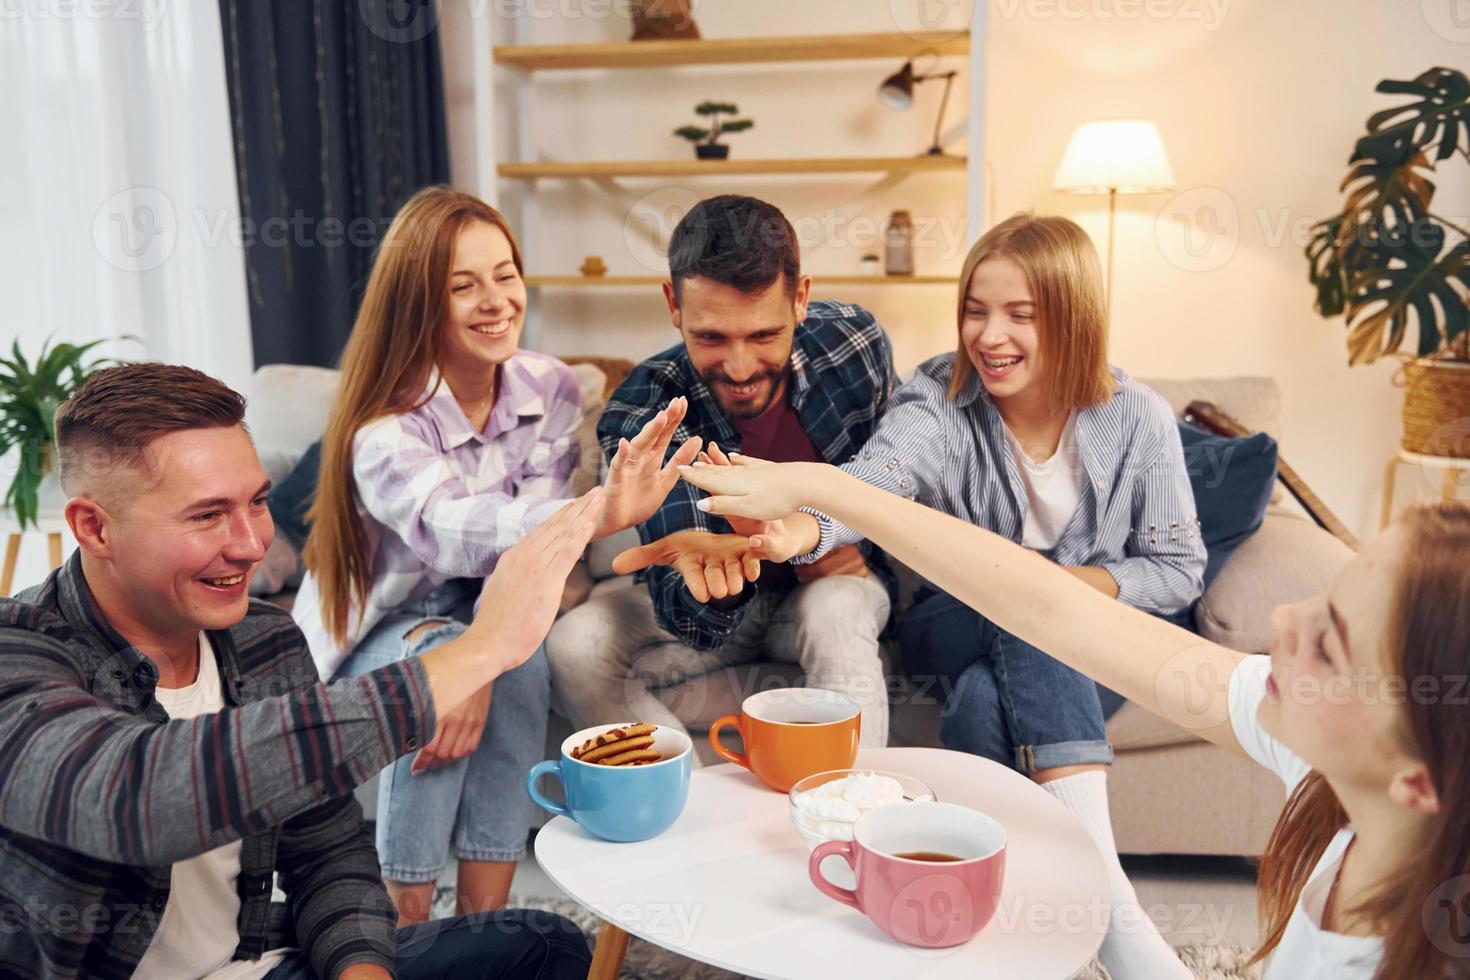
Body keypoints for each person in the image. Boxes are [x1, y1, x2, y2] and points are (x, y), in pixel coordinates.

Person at [625, 213, 1207, 978]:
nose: (990, 336)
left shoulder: (1137, 417)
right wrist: (797, 533)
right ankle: (1117, 919)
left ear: (1072, 316)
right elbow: (877, 481)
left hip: (1086, 653)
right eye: (976, 309)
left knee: (982, 697)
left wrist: (1057, 590)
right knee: (1018, 608)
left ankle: (987, 939)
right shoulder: (938, 395)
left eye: (1021, 315)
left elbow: (1178, 568)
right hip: (951, 623)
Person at [671, 454, 1470, 980]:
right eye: (1326, 596)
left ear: (1420, 779)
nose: (1285, 620)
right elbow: (1053, 611)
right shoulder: (1351, 777)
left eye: (1329, 645)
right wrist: (829, 488)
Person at [0, 362, 601, 979]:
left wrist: (363, 970)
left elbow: (328, 852)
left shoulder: (264, 638)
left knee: (543, 945)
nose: (251, 543)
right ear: (93, 527)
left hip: (256, 965)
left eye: (256, 502)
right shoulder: (16, 651)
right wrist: (480, 649)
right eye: (207, 515)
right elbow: (141, 801)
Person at [292, 186, 699, 922]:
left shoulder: (548, 387)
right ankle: (405, 935)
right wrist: (598, 509)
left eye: (505, 274)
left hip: (490, 610)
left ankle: (483, 933)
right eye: (462, 285)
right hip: (387, 623)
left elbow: (525, 559)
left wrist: (487, 655)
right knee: (438, 675)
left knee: (521, 668)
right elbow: (457, 532)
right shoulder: (383, 429)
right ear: (419, 302)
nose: (495, 301)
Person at [546, 194, 897, 752]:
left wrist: (842, 541)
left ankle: (847, 819)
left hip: (826, 591)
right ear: (674, 305)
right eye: (711, 337)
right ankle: (687, 817)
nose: (739, 368)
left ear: (801, 298)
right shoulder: (645, 406)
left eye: (763, 335)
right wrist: (713, 583)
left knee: (837, 609)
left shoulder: (854, 345)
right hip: (727, 612)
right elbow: (690, 620)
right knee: (575, 645)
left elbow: (897, 476)